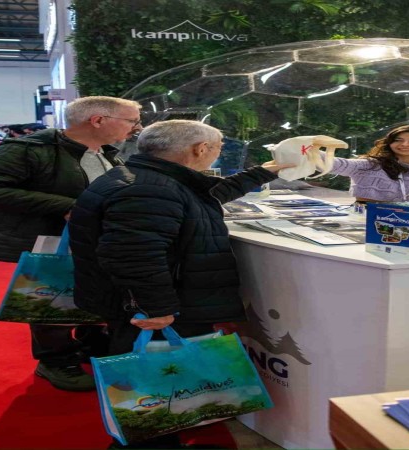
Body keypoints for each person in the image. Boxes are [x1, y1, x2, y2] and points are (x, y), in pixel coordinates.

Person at [67, 119, 290, 448]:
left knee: (160, 376)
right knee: (154, 378)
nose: (216, 154)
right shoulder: (149, 189)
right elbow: (133, 254)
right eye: (217, 149)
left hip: (148, 298)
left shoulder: (150, 177)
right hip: (153, 305)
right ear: (201, 149)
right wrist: (155, 308)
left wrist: (264, 171)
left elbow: (204, 196)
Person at [0, 96, 143, 392]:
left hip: (93, 241)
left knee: (93, 294)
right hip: (51, 239)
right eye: (131, 120)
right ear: (98, 120)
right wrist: (64, 205)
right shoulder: (29, 149)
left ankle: (90, 342)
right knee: (53, 300)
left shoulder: (106, 152)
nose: (137, 127)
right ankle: (55, 360)